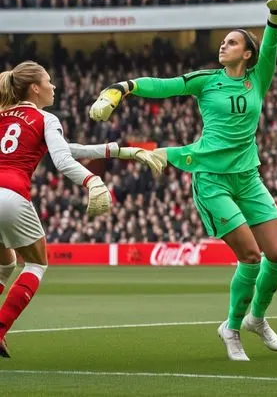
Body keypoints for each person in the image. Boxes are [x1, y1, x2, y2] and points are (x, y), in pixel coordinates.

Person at [89, 0, 277, 361]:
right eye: (223, 41)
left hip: (248, 177)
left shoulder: (259, 78)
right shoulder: (207, 80)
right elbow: (166, 85)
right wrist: (125, 87)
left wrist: (276, 13)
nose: (224, 44)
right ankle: (232, 328)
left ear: (247, 54)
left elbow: (271, 45)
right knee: (251, 257)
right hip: (211, 180)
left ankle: (257, 317)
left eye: (233, 41)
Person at [0, 61, 165, 358]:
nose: (54, 86)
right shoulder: (44, 118)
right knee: (36, 264)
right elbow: (62, 161)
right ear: (35, 88)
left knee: (4, 264)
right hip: (11, 193)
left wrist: (118, 150)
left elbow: (66, 148)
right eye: (49, 81)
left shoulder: (3, 116)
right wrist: (92, 181)